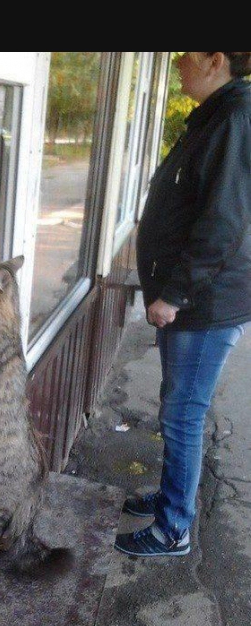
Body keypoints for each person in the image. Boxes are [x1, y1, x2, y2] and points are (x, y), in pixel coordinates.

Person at [116, 52, 251, 558]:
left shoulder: (236, 117)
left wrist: (174, 294)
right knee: (180, 408)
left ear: (217, 60)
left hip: (204, 304)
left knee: (182, 415)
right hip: (197, 300)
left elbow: (223, 222)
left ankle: (173, 527)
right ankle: (173, 498)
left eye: (187, 53)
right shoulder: (218, 113)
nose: (176, 61)